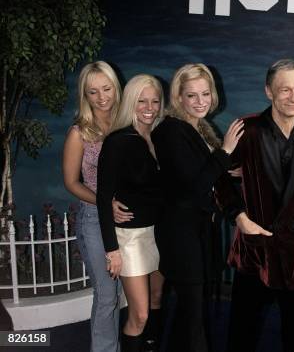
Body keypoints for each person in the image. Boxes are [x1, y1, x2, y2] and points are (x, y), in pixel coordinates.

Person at [226, 59, 294, 352]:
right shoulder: (246, 129)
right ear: (269, 91)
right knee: (241, 333)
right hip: (255, 248)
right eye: (286, 90)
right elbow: (220, 178)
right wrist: (238, 217)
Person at [150, 63, 244, 352]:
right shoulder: (169, 130)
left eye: (205, 93)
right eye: (193, 96)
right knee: (193, 317)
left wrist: (226, 169)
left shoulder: (198, 127)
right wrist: (225, 152)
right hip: (181, 233)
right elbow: (192, 185)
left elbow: (200, 172)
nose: (201, 101)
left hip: (197, 231)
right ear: (178, 97)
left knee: (190, 311)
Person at [96, 74, 165, 352]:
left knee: (158, 298)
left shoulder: (162, 137)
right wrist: (111, 249)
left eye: (154, 101)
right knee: (140, 314)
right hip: (131, 238)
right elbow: (103, 197)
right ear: (130, 103)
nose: (148, 107)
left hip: (161, 232)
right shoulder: (118, 141)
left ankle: (152, 346)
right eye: (141, 101)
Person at [62, 61, 123, 352]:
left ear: (116, 87)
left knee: (120, 292)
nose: (102, 97)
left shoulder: (127, 123)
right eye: (93, 91)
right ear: (84, 95)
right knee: (107, 293)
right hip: (94, 219)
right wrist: (105, 204)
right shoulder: (79, 132)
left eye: (107, 88)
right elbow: (71, 183)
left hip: (125, 219)